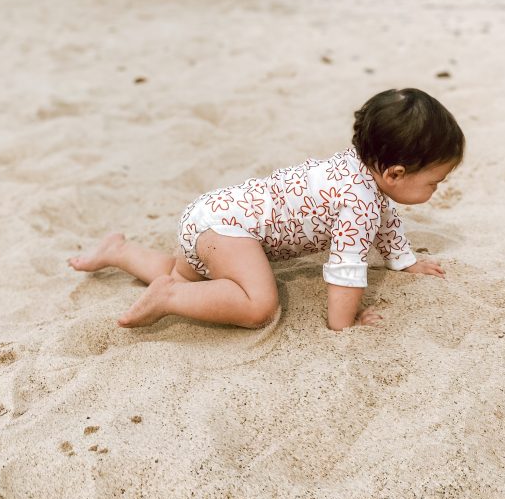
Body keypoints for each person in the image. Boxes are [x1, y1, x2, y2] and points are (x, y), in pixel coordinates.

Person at [68, 88, 465, 331]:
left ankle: (119, 252)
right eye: (434, 181)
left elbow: (387, 220)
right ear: (395, 173)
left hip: (210, 215)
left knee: (190, 274)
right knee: (258, 305)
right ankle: (168, 298)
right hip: (230, 233)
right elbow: (346, 271)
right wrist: (345, 323)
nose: (436, 188)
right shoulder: (358, 202)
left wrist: (404, 261)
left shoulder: (356, 166)